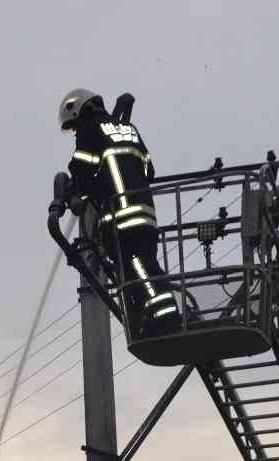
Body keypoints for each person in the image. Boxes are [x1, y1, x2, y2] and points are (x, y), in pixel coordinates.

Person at [59, 88, 183, 338]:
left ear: (79, 112)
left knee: (138, 267)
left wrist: (76, 191)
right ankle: (150, 316)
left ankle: (166, 318)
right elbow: (149, 170)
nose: (75, 131)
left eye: (73, 126)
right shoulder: (129, 129)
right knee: (143, 266)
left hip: (120, 217)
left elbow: (82, 171)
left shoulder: (88, 129)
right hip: (145, 214)